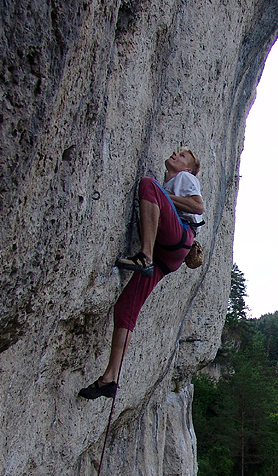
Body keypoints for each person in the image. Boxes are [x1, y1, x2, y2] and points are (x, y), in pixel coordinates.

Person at [79, 148, 204, 399]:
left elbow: (198, 206)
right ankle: (110, 377)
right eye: (177, 152)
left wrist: (165, 196)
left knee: (149, 185)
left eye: (182, 156)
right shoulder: (175, 181)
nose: (175, 154)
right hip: (167, 255)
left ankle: (143, 255)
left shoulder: (184, 179)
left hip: (174, 241)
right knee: (126, 310)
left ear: (188, 169)